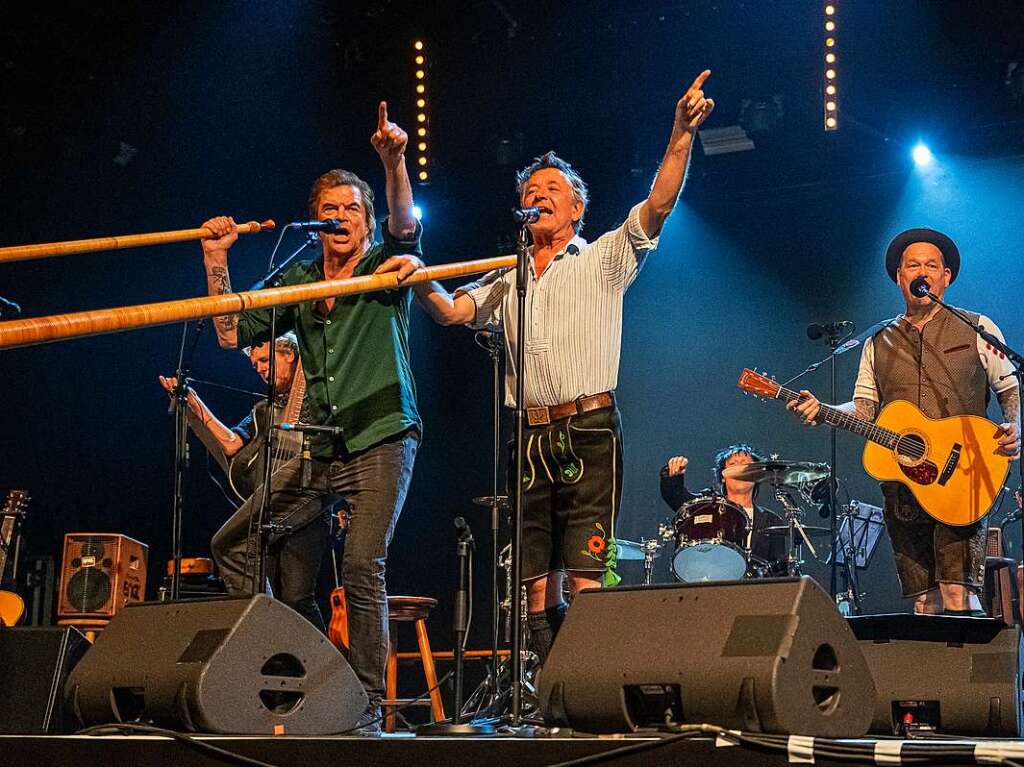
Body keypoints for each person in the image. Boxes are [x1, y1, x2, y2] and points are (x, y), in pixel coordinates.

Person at [382, 71, 715, 664]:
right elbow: (454, 312)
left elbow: (659, 203)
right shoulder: (507, 276)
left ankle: (585, 678)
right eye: (531, 188)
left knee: (587, 567)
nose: (538, 195)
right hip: (528, 431)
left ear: (577, 207)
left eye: (551, 188)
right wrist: (418, 274)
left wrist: (679, 133)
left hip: (588, 429)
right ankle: (543, 687)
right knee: (536, 577)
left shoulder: (606, 259)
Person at [198, 102, 422, 731]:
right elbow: (228, 332)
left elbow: (406, 226)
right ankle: (277, 672)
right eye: (330, 210)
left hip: (381, 438)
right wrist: (218, 259)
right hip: (320, 448)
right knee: (234, 543)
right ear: (315, 221)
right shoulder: (298, 275)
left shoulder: (385, 265)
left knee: (360, 566)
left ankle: (370, 709)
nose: (340, 219)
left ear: (366, 220)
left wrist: (394, 160)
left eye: (352, 209)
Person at [789, 228, 1020, 615]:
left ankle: (967, 669)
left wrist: (1016, 426)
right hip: (906, 483)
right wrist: (824, 411)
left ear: (946, 277)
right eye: (913, 264)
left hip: (963, 473)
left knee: (957, 591)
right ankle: (926, 673)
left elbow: (1008, 386)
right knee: (922, 599)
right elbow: (864, 410)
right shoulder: (877, 341)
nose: (922, 271)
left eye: (932, 265)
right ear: (899, 276)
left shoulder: (979, 327)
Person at [660, 444, 786, 577]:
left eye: (745, 464)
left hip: (753, 592)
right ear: (723, 477)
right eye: (733, 464)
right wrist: (673, 476)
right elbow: (675, 496)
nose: (739, 469)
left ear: (756, 475)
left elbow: (778, 569)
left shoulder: (771, 520)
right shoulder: (706, 506)